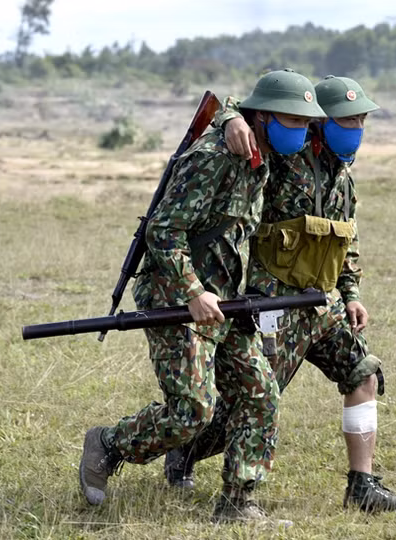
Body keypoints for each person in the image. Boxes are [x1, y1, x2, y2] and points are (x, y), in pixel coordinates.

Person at [78, 69, 326, 523]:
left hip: (227, 301)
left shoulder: (263, 155)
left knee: (260, 392)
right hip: (175, 295)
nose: (302, 130)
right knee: (193, 411)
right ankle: (108, 443)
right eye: (293, 120)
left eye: (306, 123)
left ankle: (238, 503)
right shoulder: (213, 157)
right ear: (264, 116)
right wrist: (192, 292)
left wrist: (230, 113)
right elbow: (164, 231)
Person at [164, 75, 396, 512]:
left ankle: (362, 487)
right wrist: (228, 117)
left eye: (361, 120)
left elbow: (346, 240)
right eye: (347, 120)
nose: (356, 128)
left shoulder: (343, 177)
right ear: (318, 122)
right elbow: (246, 108)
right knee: (252, 401)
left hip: (324, 303)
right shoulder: (282, 157)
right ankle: (184, 451)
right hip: (275, 303)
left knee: (362, 374)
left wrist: (352, 293)